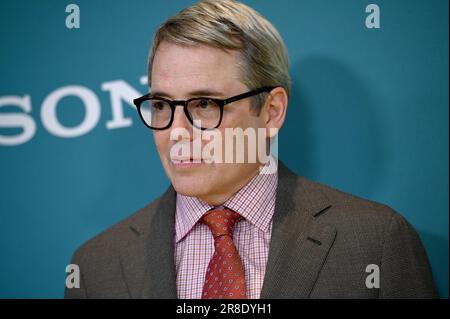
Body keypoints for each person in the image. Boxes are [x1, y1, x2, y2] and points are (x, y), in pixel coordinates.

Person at [65, 0, 438, 299]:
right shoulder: (96, 267)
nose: (177, 132)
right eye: (162, 105)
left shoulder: (375, 242)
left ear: (272, 111)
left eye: (205, 105)